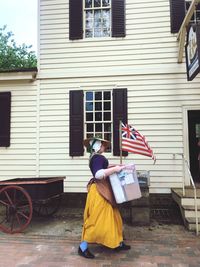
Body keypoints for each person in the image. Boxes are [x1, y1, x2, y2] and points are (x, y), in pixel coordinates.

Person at [78, 137, 131, 259]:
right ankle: (83, 247)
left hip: (102, 190)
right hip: (99, 193)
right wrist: (115, 169)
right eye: (102, 145)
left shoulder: (96, 158)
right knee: (97, 220)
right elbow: (98, 174)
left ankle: (118, 242)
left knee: (114, 217)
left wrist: (115, 166)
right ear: (96, 146)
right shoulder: (97, 158)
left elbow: (103, 168)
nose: (104, 147)